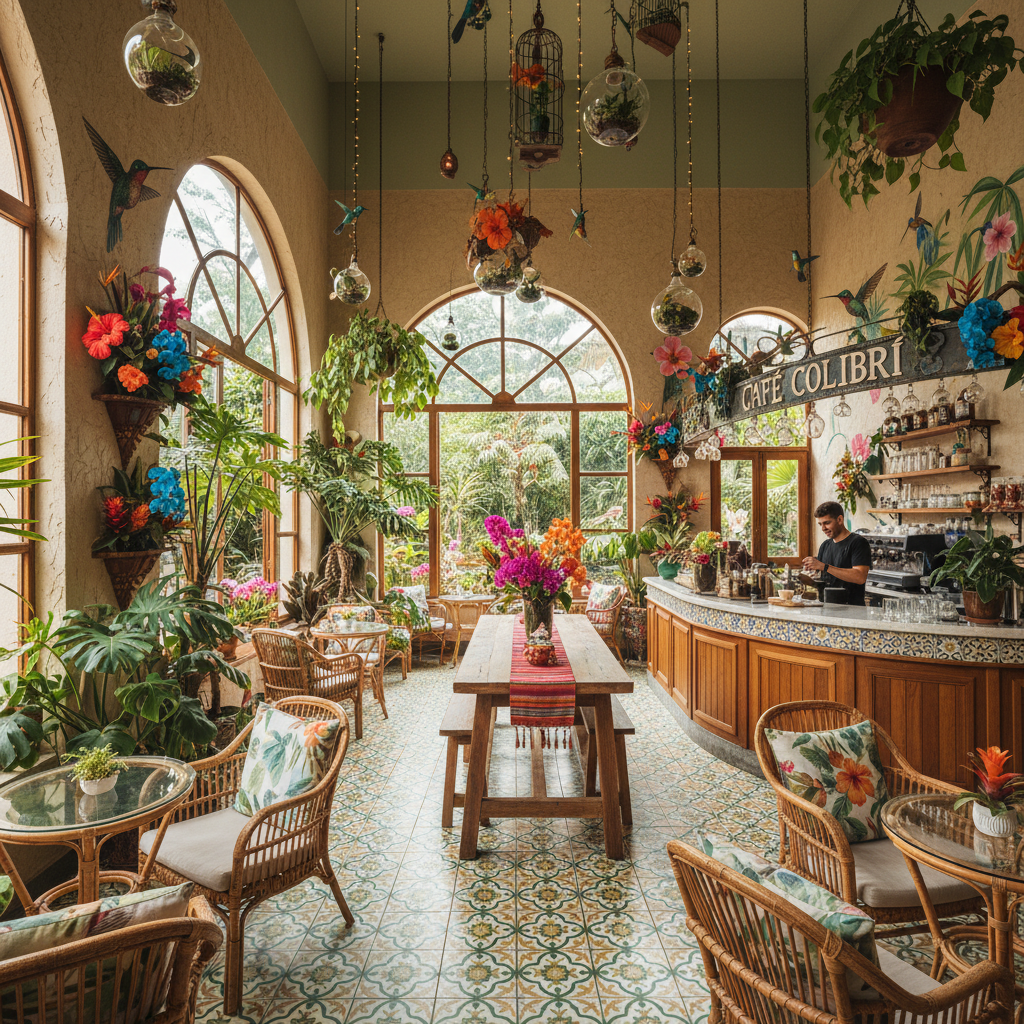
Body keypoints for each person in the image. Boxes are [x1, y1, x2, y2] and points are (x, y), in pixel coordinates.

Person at [801, 501, 872, 605]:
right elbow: (825, 582)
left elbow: (860, 577)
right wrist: (807, 579)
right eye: (820, 524)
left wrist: (824, 566)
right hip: (826, 608)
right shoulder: (825, 545)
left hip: (852, 609)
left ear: (839, 520)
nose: (823, 528)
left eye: (827, 523)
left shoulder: (858, 542)